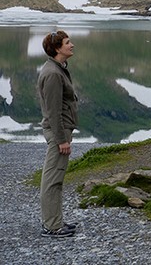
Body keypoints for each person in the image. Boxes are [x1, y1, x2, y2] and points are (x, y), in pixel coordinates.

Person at [37, 30, 79, 238]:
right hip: (58, 133)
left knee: (56, 176)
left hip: (60, 131)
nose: (72, 45)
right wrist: (62, 140)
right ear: (56, 49)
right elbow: (53, 111)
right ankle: (52, 226)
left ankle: (55, 221)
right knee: (53, 178)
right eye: (67, 42)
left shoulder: (57, 68)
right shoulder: (53, 74)